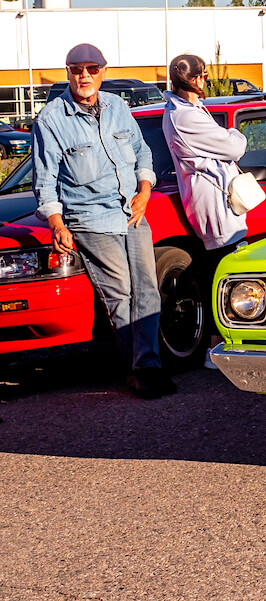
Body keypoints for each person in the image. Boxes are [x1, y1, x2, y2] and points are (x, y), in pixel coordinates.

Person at [31, 43, 175, 398]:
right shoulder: (51, 119)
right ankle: (142, 368)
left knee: (147, 289)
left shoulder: (118, 106)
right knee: (121, 294)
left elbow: (142, 151)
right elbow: (45, 181)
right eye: (77, 69)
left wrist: (144, 190)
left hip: (133, 212)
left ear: (103, 72)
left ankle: (147, 365)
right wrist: (57, 223)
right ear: (67, 72)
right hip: (90, 219)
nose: (85, 76)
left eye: (92, 69)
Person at [161, 54, 249, 368]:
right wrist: (235, 134)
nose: (208, 80)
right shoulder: (186, 116)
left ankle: (221, 345)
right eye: (205, 75)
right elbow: (234, 147)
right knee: (223, 275)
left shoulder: (185, 110)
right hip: (214, 204)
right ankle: (217, 349)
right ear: (196, 80)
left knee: (220, 272)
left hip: (213, 199)